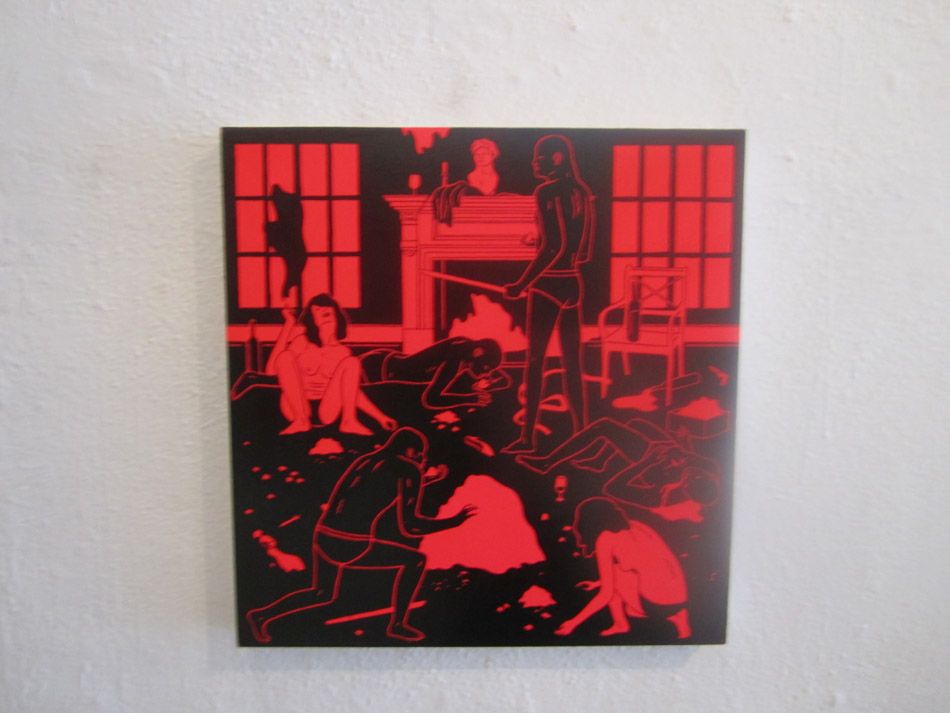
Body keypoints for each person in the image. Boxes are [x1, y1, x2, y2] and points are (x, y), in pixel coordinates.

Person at [245, 428, 475, 643]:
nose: (421, 460)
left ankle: (262, 615)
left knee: (321, 593)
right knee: (415, 560)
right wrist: (453, 522)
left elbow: (379, 488)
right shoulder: (409, 470)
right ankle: (397, 624)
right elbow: (410, 527)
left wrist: (428, 480)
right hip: (351, 545)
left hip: (324, 537)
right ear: (409, 450)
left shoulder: (367, 461)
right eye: (419, 454)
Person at [502, 134, 595, 454]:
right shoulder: (581, 191)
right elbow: (580, 251)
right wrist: (540, 242)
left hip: (548, 285)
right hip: (572, 284)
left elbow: (554, 246)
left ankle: (528, 439)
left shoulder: (545, 191)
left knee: (534, 362)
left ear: (557, 158)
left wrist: (521, 283)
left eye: (539, 157)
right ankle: (583, 436)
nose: (534, 163)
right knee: (573, 364)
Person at [516, 417, 720, 518]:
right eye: (697, 474)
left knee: (604, 426)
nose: (690, 473)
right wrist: (681, 442)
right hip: (665, 451)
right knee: (636, 423)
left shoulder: (659, 498)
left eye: (689, 480)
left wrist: (648, 461)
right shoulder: (707, 467)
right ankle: (599, 461)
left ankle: (547, 462)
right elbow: (689, 457)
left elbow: (612, 488)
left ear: (687, 490)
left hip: (650, 463)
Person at [555, 498, 691, 639]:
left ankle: (620, 624)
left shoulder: (605, 538)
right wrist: (597, 583)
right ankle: (678, 616)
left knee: (614, 574)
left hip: (655, 606)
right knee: (620, 573)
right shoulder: (638, 526)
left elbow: (606, 594)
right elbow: (653, 565)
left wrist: (573, 623)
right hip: (679, 599)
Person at [266, 293, 396, 435]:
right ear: (312, 320)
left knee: (352, 362)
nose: (323, 310)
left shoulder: (343, 352)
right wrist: (289, 323)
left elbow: (352, 392)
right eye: (317, 309)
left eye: (327, 308)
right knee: (284, 356)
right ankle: (301, 421)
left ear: (337, 316)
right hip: (296, 407)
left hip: (327, 410)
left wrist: (380, 417)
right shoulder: (302, 342)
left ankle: (349, 421)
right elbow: (271, 370)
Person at [360, 337, 511, 410]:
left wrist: (488, 379)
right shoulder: (454, 359)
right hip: (376, 369)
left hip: (383, 361)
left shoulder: (465, 345)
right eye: (486, 368)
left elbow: (505, 380)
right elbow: (431, 399)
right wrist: (471, 398)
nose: (485, 373)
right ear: (478, 353)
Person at [265, 185, 307, 299]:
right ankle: (287, 291)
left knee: (293, 269)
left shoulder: (289, 204)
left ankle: (287, 291)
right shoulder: (291, 203)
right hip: (295, 247)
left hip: (294, 246)